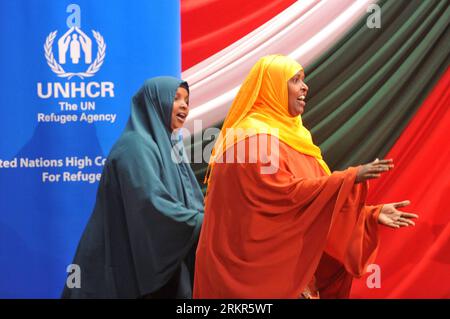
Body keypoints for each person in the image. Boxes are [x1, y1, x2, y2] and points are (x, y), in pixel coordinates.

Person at [193, 55, 418, 298]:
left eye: (304, 79)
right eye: (295, 80)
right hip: (250, 280)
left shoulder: (296, 138)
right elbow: (282, 197)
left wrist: (368, 215)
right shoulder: (249, 138)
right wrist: (349, 177)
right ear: (273, 87)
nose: (304, 86)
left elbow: (313, 202)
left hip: (288, 275)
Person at [62, 77, 204, 299]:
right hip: (117, 272)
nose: (184, 105)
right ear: (154, 102)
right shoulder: (134, 146)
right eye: (176, 98)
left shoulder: (170, 145)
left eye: (187, 100)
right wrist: (199, 222)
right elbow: (151, 206)